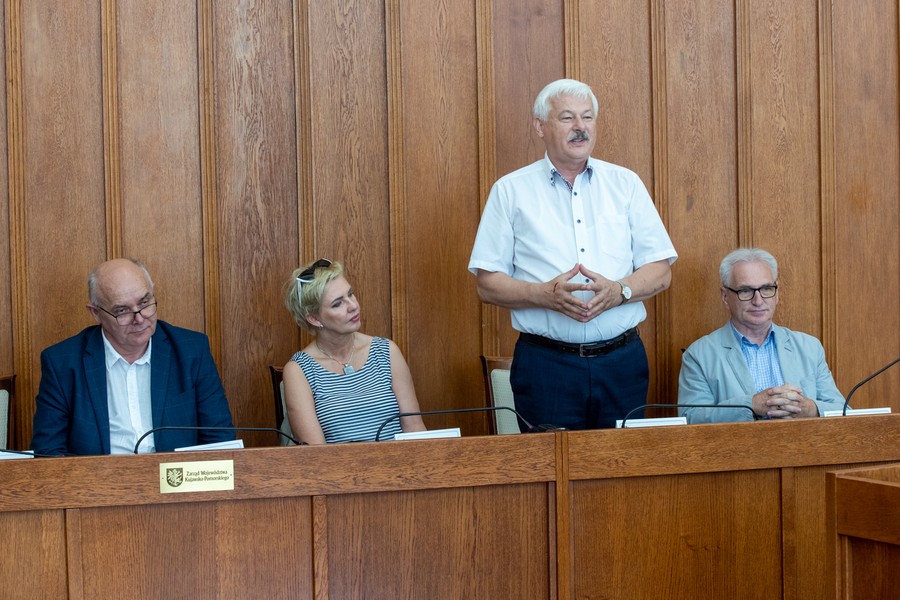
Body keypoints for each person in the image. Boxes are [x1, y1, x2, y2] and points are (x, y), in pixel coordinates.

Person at [468, 78, 677, 431]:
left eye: (587, 117)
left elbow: (661, 270)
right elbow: (487, 285)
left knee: (621, 464)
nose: (580, 127)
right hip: (546, 366)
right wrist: (543, 295)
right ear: (540, 126)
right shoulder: (510, 191)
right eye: (567, 118)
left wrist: (620, 291)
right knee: (549, 465)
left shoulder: (625, 184)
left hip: (622, 364)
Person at [31, 258, 235, 456]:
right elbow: (48, 452)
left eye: (145, 302)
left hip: (175, 476)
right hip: (100, 478)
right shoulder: (62, 364)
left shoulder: (192, 352)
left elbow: (220, 441)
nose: (140, 318)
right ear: (96, 313)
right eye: (122, 311)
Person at [678, 248, 845, 423]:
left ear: (776, 293)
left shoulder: (809, 347)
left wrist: (811, 409)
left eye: (766, 289)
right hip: (739, 442)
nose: (758, 301)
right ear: (725, 296)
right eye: (745, 291)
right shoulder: (699, 355)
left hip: (801, 441)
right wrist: (750, 405)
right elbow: (691, 418)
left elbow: (842, 411)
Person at [282, 259, 426, 444]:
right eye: (338, 304)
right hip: (338, 464)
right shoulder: (298, 370)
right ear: (314, 319)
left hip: (399, 462)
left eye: (351, 294)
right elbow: (316, 454)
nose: (353, 306)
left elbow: (414, 428)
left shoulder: (387, 351)